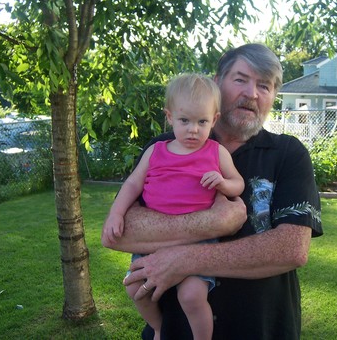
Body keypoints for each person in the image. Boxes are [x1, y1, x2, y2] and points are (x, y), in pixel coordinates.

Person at [102, 43, 323, 340]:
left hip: (261, 331)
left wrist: (186, 259)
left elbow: (290, 249)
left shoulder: (287, 154)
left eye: (264, 86)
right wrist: (215, 222)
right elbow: (120, 232)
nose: (252, 93)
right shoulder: (164, 148)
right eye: (241, 79)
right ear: (217, 82)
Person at [102, 73, 245, 340]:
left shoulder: (216, 152)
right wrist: (116, 214)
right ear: (170, 117)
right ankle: (158, 327)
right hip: (153, 240)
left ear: (214, 119)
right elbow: (132, 184)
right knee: (134, 289)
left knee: (192, 296)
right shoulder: (155, 151)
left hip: (198, 242)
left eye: (202, 122)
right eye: (184, 120)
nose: (193, 129)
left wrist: (224, 184)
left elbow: (238, 184)